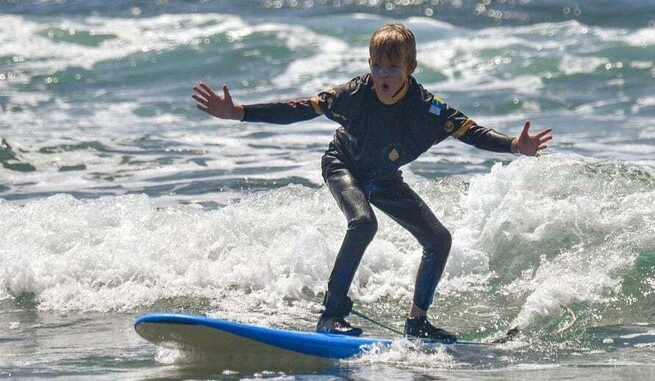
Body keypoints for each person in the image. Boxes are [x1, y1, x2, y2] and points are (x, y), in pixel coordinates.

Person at [192, 23, 552, 343]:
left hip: (383, 177)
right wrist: (239, 113)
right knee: (363, 223)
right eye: (377, 65)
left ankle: (418, 321)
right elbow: (299, 109)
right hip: (342, 164)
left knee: (438, 239)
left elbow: (470, 131)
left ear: (410, 69)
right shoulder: (354, 93)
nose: (383, 74)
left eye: (393, 67)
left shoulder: (427, 109)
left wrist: (513, 145)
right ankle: (331, 315)